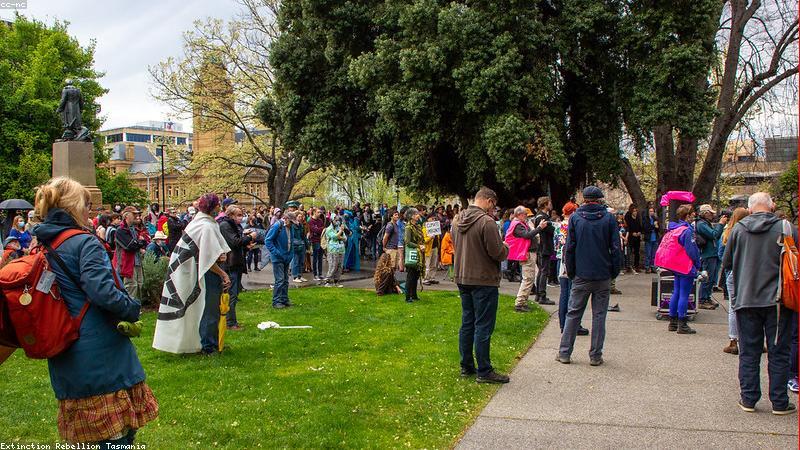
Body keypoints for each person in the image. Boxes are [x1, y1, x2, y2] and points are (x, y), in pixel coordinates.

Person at [30, 177, 158, 445]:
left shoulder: (44, 243)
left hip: (63, 341)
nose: (90, 211)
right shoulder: (83, 242)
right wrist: (131, 308)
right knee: (114, 436)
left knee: (86, 436)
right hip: (99, 350)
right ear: (76, 206)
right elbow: (102, 291)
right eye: (88, 205)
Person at [722, 192, 796, 415]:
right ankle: (779, 402)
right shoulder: (786, 228)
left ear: (750, 208)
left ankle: (748, 398)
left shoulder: (738, 229)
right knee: (779, 352)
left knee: (749, 351)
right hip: (779, 300)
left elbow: (727, 262)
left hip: (746, 298)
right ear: (772, 205)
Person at [153, 193, 232, 355]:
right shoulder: (206, 226)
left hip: (197, 269)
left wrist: (219, 255)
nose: (219, 207)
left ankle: (212, 341)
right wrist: (223, 273)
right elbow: (207, 258)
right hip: (204, 272)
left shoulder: (200, 222)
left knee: (208, 308)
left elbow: (207, 251)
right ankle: (208, 345)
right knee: (209, 309)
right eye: (217, 204)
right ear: (212, 207)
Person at [557, 186, 622, 366]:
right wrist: (614, 271)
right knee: (599, 316)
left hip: (581, 273)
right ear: (599, 199)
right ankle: (595, 355)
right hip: (602, 273)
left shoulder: (576, 218)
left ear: (584, 200)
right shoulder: (608, 219)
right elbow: (616, 248)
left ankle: (564, 352)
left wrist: (571, 271)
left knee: (573, 313)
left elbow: (570, 248)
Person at [453, 187, 510, 384]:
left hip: (463, 276)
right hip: (483, 278)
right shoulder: (486, 222)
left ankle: (466, 365)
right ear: (488, 200)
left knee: (467, 322)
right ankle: (484, 370)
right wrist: (506, 247)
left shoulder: (457, 220)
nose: (493, 209)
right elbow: (497, 252)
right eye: (493, 205)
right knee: (483, 326)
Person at [657, 205, 702, 335]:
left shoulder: (674, 229)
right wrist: (697, 264)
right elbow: (692, 250)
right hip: (685, 266)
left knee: (676, 292)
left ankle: (673, 322)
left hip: (675, 265)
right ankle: (682, 324)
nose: (694, 216)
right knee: (684, 294)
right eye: (692, 214)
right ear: (687, 216)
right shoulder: (687, 231)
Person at [219, 205, 257, 330]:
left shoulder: (235, 226)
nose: (241, 218)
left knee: (234, 294)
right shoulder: (225, 225)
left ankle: (232, 321)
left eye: (241, 215)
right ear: (231, 215)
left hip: (236, 263)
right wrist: (250, 237)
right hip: (230, 264)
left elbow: (237, 243)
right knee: (231, 294)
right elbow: (234, 242)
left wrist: (246, 246)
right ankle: (230, 323)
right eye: (238, 215)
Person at [504, 206, 547, 312]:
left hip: (527, 253)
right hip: (527, 253)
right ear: (519, 214)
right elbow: (527, 235)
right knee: (528, 279)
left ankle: (522, 302)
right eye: (525, 214)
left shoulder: (518, 223)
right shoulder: (518, 225)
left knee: (529, 278)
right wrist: (539, 228)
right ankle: (520, 303)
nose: (526, 216)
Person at [719, 207, 749, 355]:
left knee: (733, 307)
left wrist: (729, 267)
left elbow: (722, 255)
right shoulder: (749, 232)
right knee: (752, 306)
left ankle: (733, 341)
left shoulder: (728, 232)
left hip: (732, 272)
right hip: (748, 272)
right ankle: (753, 340)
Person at [555, 202, 588, 335]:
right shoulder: (572, 225)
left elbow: (557, 244)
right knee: (572, 294)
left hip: (560, 260)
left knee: (564, 293)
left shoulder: (558, 225)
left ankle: (563, 324)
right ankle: (573, 325)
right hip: (570, 261)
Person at [696, 204, 727, 310]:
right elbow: (714, 234)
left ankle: (707, 297)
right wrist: (721, 224)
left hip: (712, 253)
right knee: (707, 278)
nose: (713, 215)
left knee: (712, 277)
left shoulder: (706, 223)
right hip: (707, 254)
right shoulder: (701, 224)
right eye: (711, 213)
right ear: (705, 213)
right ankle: (702, 299)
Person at [115, 209, 147, 300]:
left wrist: (139, 242)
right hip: (127, 264)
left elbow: (144, 242)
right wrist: (139, 242)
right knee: (131, 287)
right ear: (126, 216)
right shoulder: (121, 230)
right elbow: (129, 246)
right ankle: (129, 306)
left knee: (140, 285)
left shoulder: (133, 229)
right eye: (134, 214)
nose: (137, 217)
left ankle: (137, 306)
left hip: (137, 262)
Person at [265, 210, 294, 308]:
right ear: (286, 219)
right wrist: (276, 253)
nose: (292, 224)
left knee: (285, 280)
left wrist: (291, 254)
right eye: (291, 222)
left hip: (287, 256)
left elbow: (291, 241)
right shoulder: (277, 226)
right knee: (280, 280)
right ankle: (276, 301)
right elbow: (268, 240)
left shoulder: (291, 227)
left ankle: (284, 299)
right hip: (278, 257)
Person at [533, 197, 555, 305]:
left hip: (542, 247)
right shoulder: (543, 217)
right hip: (544, 247)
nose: (551, 205)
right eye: (549, 203)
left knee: (541, 271)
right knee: (544, 271)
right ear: (545, 204)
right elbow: (551, 230)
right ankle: (542, 295)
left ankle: (538, 295)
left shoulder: (539, 216)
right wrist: (552, 226)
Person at [403, 208, 425, 303]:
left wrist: (422, 245)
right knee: (411, 276)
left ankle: (414, 295)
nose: (418, 215)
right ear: (411, 216)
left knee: (416, 275)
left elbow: (421, 239)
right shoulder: (408, 227)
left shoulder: (418, 226)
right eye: (416, 214)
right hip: (412, 253)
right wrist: (419, 246)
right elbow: (407, 242)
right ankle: (408, 297)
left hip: (418, 253)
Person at [324, 216, 347, 288]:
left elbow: (345, 238)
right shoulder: (328, 229)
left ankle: (336, 281)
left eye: (339, 220)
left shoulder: (339, 228)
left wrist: (340, 236)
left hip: (341, 249)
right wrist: (340, 232)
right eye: (336, 220)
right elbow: (334, 237)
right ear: (332, 220)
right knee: (333, 266)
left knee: (340, 266)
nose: (337, 222)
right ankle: (327, 281)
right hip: (333, 250)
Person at [289, 212, 308, 283]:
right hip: (296, 245)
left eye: (301, 217)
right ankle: (295, 276)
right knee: (296, 261)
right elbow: (292, 237)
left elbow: (303, 236)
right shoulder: (293, 226)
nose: (301, 218)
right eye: (299, 216)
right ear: (296, 217)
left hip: (302, 245)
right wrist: (298, 243)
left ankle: (300, 275)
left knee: (301, 261)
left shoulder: (301, 225)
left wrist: (307, 245)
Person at [422, 214, 441, 285]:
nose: (434, 220)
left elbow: (438, 238)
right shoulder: (424, 229)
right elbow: (424, 240)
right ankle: (425, 279)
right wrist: (430, 237)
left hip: (435, 248)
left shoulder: (435, 227)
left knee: (433, 264)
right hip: (428, 249)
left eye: (434, 218)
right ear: (428, 219)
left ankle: (431, 278)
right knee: (427, 264)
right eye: (432, 218)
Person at [624, 204, 643, 273]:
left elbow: (640, 225)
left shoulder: (637, 217)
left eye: (636, 211)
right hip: (630, 237)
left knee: (637, 252)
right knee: (630, 252)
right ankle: (629, 266)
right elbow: (627, 227)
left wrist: (640, 232)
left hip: (637, 237)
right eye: (634, 211)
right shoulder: (628, 216)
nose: (635, 212)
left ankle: (636, 266)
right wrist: (632, 233)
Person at [309, 210, 325, 280]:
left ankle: (320, 274)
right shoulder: (311, 221)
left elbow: (323, 229)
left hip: (321, 240)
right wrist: (319, 229)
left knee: (320, 258)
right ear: (314, 212)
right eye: (318, 212)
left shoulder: (320, 221)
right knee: (315, 258)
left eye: (320, 212)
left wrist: (319, 229)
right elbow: (314, 230)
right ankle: (315, 274)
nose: (320, 213)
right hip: (315, 241)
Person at [643, 207, 660, 273]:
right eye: (650, 211)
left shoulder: (655, 219)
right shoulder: (646, 219)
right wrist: (653, 226)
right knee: (648, 254)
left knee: (654, 254)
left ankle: (653, 267)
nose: (651, 212)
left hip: (655, 238)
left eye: (652, 211)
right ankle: (647, 267)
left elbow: (658, 228)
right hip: (648, 239)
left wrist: (657, 227)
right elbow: (646, 228)